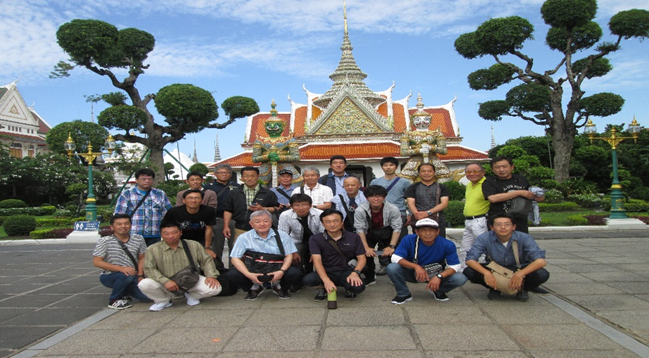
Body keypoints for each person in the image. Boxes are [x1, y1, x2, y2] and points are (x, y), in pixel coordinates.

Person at [464, 213, 549, 301]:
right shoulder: (484, 238)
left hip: (519, 267)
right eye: (498, 224)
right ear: (492, 227)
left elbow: (540, 261)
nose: (503, 227)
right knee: (469, 271)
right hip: (496, 268)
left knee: (542, 274)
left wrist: (521, 273)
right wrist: (486, 273)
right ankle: (494, 288)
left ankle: (523, 289)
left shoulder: (524, 238)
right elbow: (470, 260)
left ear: (514, 227)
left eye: (507, 224)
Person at [138, 222, 222, 311]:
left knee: (215, 288)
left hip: (190, 279)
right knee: (144, 284)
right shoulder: (152, 249)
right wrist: (165, 281)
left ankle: (192, 296)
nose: (170, 236)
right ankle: (163, 300)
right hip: (165, 282)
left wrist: (211, 276)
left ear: (181, 232)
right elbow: (149, 268)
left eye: (174, 232)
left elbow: (206, 260)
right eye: (166, 233)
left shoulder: (193, 245)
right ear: (161, 234)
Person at [387, 218, 467, 304]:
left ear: (438, 231)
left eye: (431, 230)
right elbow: (395, 257)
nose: (428, 233)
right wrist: (416, 266)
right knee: (392, 268)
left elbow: (455, 266)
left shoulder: (447, 244)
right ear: (417, 232)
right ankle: (403, 294)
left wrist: (439, 277)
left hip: (435, 272)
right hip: (414, 272)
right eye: (423, 230)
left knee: (460, 278)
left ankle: (438, 290)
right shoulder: (408, 239)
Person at [227, 210, 302, 300]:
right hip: (253, 269)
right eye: (257, 221)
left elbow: (289, 256)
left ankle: (280, 287)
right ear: (251, 224)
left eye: (266, 221)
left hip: (277, 269)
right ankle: (254, 288)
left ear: (271, 222)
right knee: (232, 274)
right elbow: (235, 258)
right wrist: (248, 274)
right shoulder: (243, 237)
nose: (262, 224)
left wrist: (281, 271)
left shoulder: (283, 236)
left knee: (295, 272)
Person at [304, 209, 366, 301]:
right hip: (326, 271)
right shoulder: (315, 239)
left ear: (342, 223)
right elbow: (317, 261)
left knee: (358, 287)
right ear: (323, 224)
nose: (332, 225)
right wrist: (326, 280)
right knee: (308, 280)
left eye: (336, 221)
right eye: (328, 222)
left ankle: (348, 288)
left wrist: (355, 273)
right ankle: (322, 287)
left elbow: (362, 258)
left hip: (346, 271)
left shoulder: (353, 237)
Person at [92, 214, 150, 310]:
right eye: (119, 224)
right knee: (126, 274)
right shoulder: (104, 241)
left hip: (132, 275)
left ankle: (125, 292)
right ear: (112, 227)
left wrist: (140, 275)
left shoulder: (138, 239)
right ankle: (114, 300)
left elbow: (142, 258)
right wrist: (121, 269)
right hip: (110, 275)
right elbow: (97, 262)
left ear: (131, 225)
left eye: (126, 223)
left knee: (146, 297)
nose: (123, 226)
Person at [482, 156, 545, 234]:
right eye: (497, 167)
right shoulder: (489, 182)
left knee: (519, 243)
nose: (501, 170)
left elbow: (529, 194)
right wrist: (519, 192)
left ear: (512, 167)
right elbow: (493, 198)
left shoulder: (521, 179)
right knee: (498, 244)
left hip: (520, 220)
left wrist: (538, 197)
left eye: (504, 166)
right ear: (492, 169)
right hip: (499, 220)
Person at [223, 166, 279, 251]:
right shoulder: (234, 193)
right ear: (242, 178)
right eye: (246, 176)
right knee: (238, 254)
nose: (249, 178)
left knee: (261, 254)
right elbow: (228, 210)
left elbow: (275, 208)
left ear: (258, 176)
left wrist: (262, 209)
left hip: (262, 230)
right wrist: (226, 226)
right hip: (240, 229)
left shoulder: (268, 193)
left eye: (252, 176)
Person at [354, 185, 402, 282]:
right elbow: (360, 230)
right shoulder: (360, 210)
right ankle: (370, 277)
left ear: (384, 197)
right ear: (367, 198)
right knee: (364, 253)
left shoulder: (393, 209)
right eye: (372, 196)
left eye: (379, 196)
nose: (376, 199)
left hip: (386, 231)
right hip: (369, 232)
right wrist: (366, 247)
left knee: (394, 254)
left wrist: (391, 246)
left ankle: (395, 276)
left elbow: (397, 228)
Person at [114, 168, 172, 246]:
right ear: (137, 180)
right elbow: (119, 214)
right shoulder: (127, 194)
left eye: (149, 179)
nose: (147, 181)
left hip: (154, 234)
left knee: (153, 257)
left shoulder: (160, 194)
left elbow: (168, 213)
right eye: (143, 179)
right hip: (133, 234)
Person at [277, 194, 324, 281]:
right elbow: (283, 236)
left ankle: (316, 277)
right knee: (292, 256)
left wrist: (316, 252)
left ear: (310, 205)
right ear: (291, 206)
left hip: (316, 242)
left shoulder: (320, 214)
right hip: (296, 241)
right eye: (297, 205)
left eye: (304, 204)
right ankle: (298, 278)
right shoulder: (285, 215)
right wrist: (292, 252)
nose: (301, 208)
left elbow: (323, 235)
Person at [204, 164, 241, 269]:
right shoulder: (208, 187)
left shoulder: (236, 186)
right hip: (217, 219)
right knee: (216, 246)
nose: (224, 174)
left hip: (234, 219)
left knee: (234, 246)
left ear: (230, 174)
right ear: (215, 174)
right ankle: (217, 269)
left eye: (227, 172)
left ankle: (233, 269)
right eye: (221, 172)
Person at [162, 189, 217, 258]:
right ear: (184, 201)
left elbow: (209, 229)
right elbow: (165, 228)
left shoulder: (209, 211)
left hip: (200, 239)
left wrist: (207, 248)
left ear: (202, 201)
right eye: (190, 198)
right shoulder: (174, 212)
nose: (193, 201)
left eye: (197, 198)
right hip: (179, 240)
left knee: (209, 257)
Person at [370, 157, 412, 240]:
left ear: (396, 167)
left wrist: (410, 214)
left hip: (399, 213)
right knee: (384, 239)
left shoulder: (405, 182)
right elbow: (371, 198)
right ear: (382, 167)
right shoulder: (375, 182)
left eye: (391, 165)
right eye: (385, 165)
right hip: (380, 213)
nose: (388, 167)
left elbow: (410, 199)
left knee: (401, 237)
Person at [459, 163, 490, 271]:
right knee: (465, 247)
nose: (472, 174)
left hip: (480, 220)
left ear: (483, 172)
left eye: (475, 171)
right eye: (468, 172)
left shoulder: (487, 184)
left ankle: (485, 270)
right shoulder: (469, 185)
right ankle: (464, 269)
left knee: (483, 248)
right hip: (468, 220)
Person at [405, 163, 450, 237]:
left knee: (438, 242)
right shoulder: (413, 187)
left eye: (429, 171)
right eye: (423, 171)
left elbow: (444, 203)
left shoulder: (441, 187)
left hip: (437, 219)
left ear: (434, 172)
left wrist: (428, 213)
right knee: (418, 242)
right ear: (419, 173)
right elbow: (410, 203)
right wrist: (417, 215)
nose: (426, 173)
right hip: (418, 220)